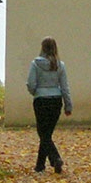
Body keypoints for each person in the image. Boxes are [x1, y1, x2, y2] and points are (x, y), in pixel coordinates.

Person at [26, 37, 72, 173]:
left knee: (43, 133)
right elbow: (65, 87)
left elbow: (30, 83)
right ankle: (40, 165)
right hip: (56, 100)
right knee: (47, 133)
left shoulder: (35, 64)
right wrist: (68, 105)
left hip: (41, 100)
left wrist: (36, 92)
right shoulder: (60, 65)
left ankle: (55, 158)